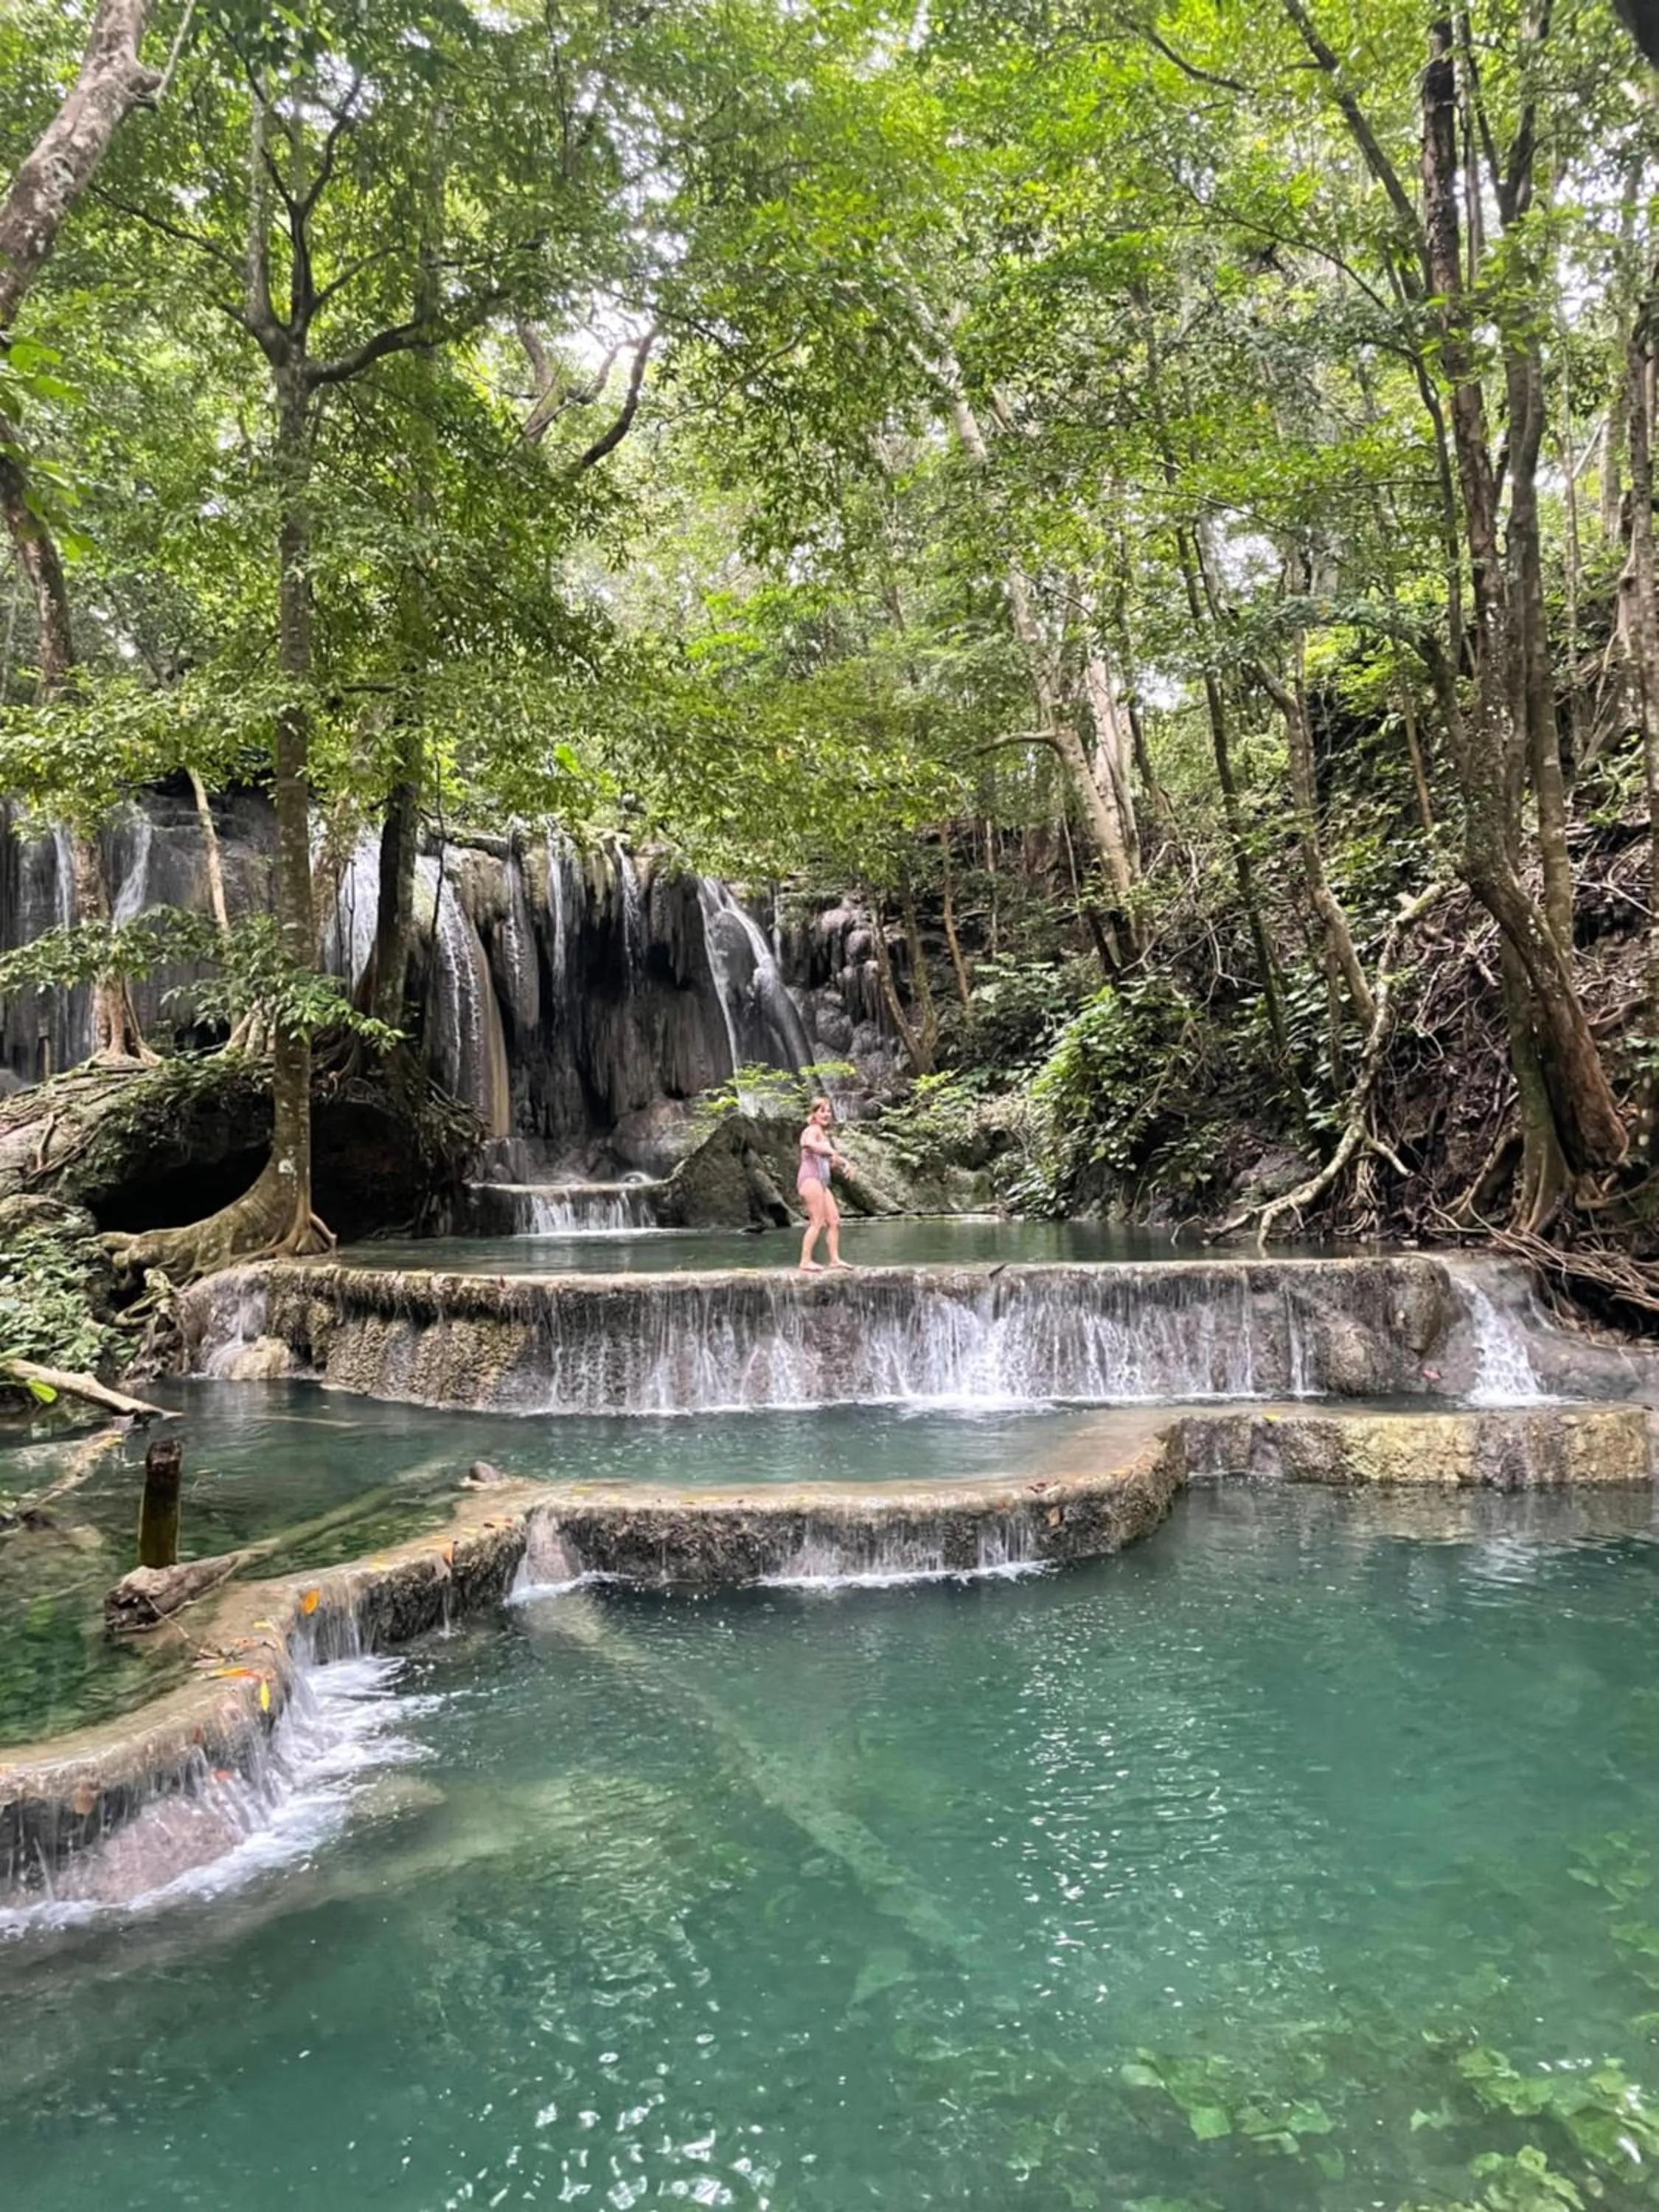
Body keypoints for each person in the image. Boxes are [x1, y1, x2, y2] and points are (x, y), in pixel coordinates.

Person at [796, 1095, 853, 1273]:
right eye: (822, 1111)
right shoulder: (811, 1130)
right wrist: (830, 1151)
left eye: (829, 1111)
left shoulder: (822, 1133)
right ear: (814, 1114)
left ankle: (835, 1260)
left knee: (834, 1220)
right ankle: (805, 1261)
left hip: (821, 1182)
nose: (827, 1114)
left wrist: (845, 1163)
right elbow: (808, 1144)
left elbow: (828, 1155)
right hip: (810, 1179)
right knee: (817, 1221)